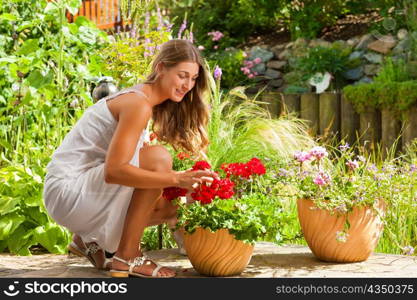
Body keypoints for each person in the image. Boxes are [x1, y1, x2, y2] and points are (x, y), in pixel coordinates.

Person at [43, 39, 217, 278]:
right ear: (161, 68)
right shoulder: (138, 103)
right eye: (182, 75)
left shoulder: (142, 101)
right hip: (67, 191)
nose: (188, 85)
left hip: (72, 194)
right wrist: (176, 178)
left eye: (194, 78)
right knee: (158, 159)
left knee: (169, 208)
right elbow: (114, 172)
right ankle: (128, 256)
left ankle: (87, 241)